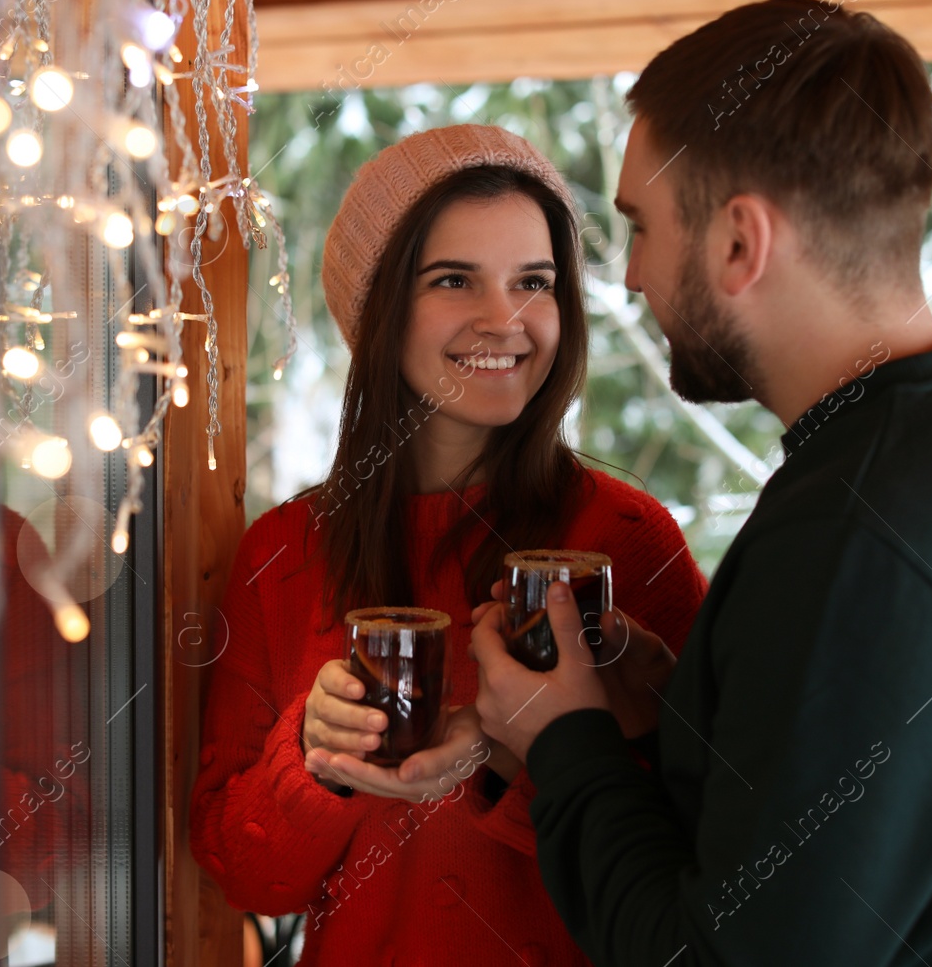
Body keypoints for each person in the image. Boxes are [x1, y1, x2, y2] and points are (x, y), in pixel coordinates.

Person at [471, 0, 932, 965]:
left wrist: (562, 740)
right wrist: (693, 713)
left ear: (739, 244)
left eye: (641, 226)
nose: (632, 276)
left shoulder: (856, 532)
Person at [189, 125, 709, 966]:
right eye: (454, 279)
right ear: (378, 307)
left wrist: (511, 748)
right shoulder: (282, 553)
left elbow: (706, 838)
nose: (505, 319)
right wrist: (317, 756)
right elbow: (242, 872)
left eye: (533, 282)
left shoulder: (625, 542)